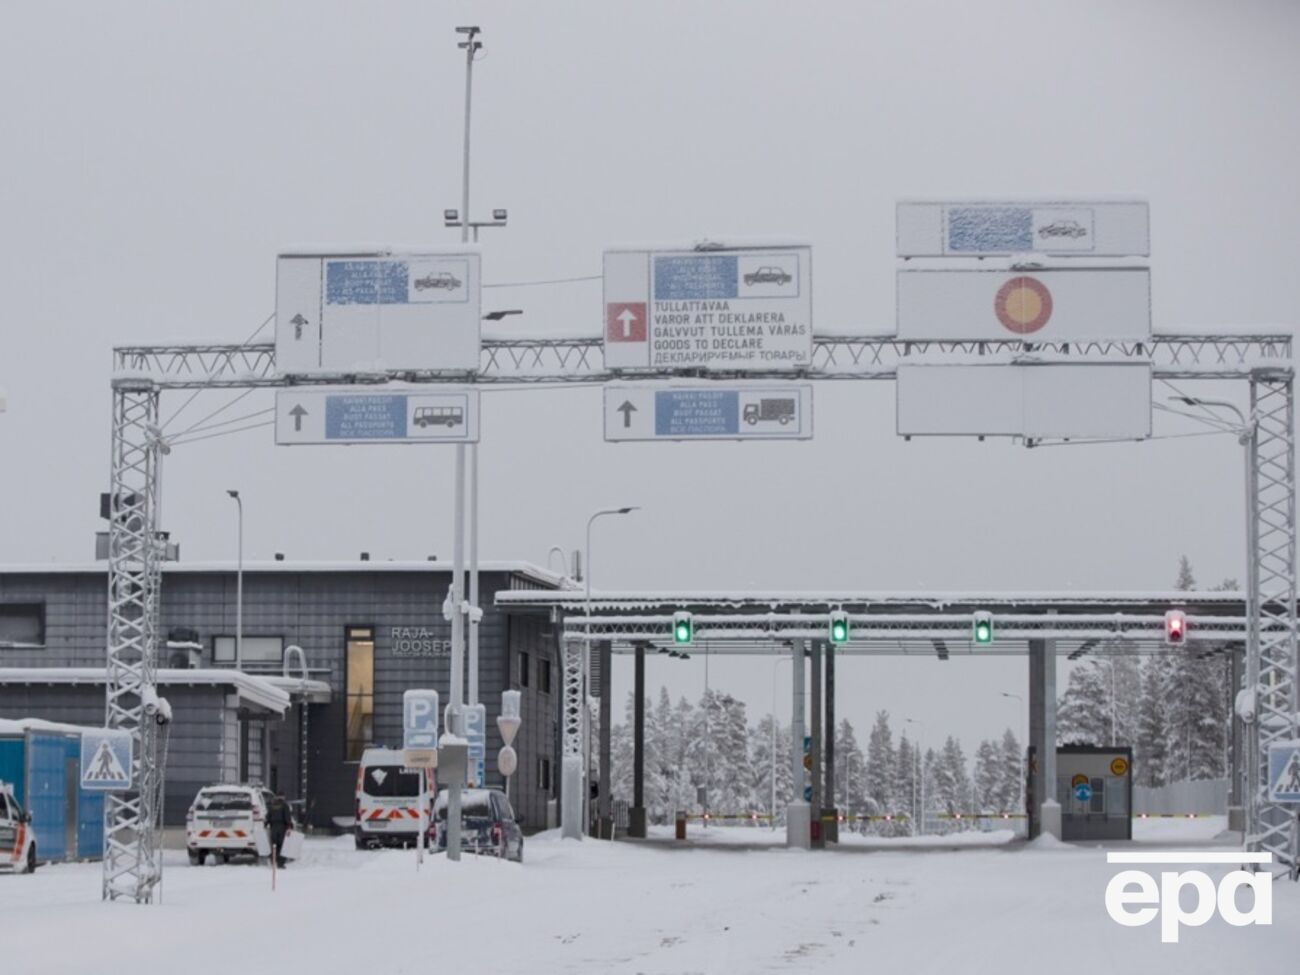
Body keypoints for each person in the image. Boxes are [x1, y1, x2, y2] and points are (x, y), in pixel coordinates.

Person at [267, 793, 294, 868]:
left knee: (274, 845)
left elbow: (268, 816)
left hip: (273, 828)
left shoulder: (272, 805)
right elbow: (287, 817)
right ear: (283, 797)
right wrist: (290, 825)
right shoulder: (285, 805)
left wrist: (266, 824)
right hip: (282, 827)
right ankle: (280, 863)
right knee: (283, 845)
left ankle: (273, 861)